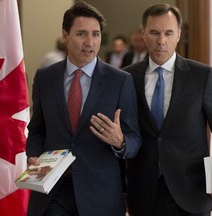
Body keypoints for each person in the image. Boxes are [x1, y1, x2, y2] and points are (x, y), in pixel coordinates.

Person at [123, 3, 212, 216]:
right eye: (154, 32)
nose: (161, 41)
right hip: (143, 194)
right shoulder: (126, 78)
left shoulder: (201, 76)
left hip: (192, 193)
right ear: (143, 33)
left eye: (169, 33)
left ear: (178, 34)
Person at [26, 2, 141, 216]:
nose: (90, 42)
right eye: (81, 34)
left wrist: (120, 141)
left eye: (96, 34)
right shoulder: (45, 77)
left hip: (100, 195)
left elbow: (134, 138)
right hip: (54, 191)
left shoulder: (120, 81)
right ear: (65, 35)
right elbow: (38, 128)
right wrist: (32, 155)